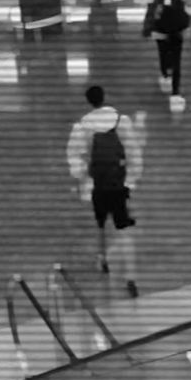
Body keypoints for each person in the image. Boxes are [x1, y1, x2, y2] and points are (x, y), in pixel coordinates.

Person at [66, 86, 144, 298]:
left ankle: (102, 260)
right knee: (124, 229)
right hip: (119, 186)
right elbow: (134, 152)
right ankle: (131, 278)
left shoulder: (83, 126)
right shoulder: (121, 121)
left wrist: (83, 177)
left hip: (97, 186)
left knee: (100, 225)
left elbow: (75, 158)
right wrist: (131, 180)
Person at [142, 0, 191, 109]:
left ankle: (165, 77)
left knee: (162, 51)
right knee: (177, 56)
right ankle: (176, 95)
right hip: (178, 24)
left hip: (159, 24)